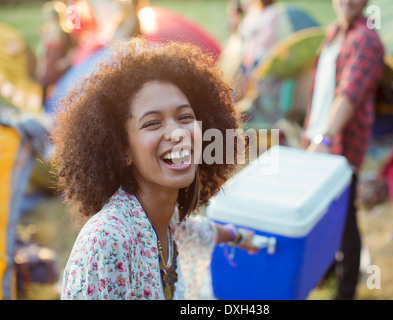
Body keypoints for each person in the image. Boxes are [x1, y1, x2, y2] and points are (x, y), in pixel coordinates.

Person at [51, 36, 259, 300]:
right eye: (152, 123)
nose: (177, 133)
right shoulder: (108, 241)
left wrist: (237, 235)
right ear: (122, 149)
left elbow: (193, 231)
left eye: (185, 117)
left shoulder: (165, 218)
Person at [302, 0, 384, 299]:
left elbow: (350, 92)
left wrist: (325, 138)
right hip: (319, 138)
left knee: (345, 217)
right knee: (324, 214)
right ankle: (324, 274)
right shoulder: (335, 32)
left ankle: (346, 289)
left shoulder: (366, 39)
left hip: (339, 145)